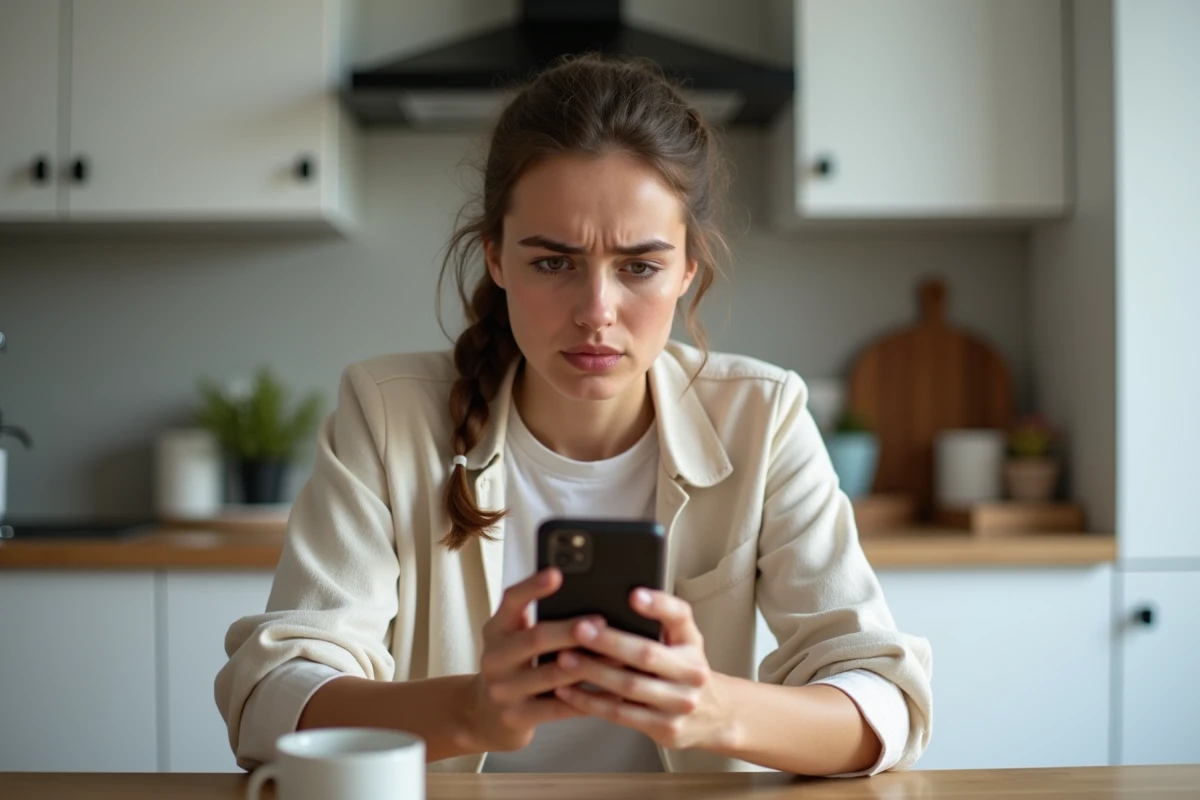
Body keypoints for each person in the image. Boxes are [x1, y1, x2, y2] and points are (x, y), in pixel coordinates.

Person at [215, 53, 932, 777]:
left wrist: (713, 709)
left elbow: (885, 702)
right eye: (553, 263)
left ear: (688, 269)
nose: (597, 313)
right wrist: (471, 711)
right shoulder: (385, 413)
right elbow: (269, 698)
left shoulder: (764, 416)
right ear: (495, 257)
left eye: (639, 266)